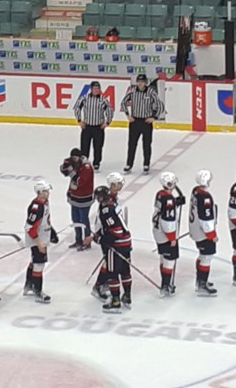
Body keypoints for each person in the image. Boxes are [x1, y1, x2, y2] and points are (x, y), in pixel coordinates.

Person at [96, 173, 132, 312]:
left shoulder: (106, 209)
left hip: (116, 245)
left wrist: (102, 239)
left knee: (112, 273)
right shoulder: (112, 203)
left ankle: (116, 301)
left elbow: (115, 230)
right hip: (126, 241)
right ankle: (127, 296)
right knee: (125, 271)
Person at [120, 74, 163, 174]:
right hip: (135, 121)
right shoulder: (132, 91)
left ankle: (146, 164)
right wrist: (127, 114)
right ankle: (129, 164)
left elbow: (160, 105)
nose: (140, 83)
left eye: (142, 81)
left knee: (146, 144)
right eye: (138, 81)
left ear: (145, 82)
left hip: (146, 122)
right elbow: (123, 103)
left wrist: (154, 117)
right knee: (132, 144)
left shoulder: (151, 91)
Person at [23, 181, 55, 305]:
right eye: (45, 191)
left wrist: (51, 232)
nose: (48, 193)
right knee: (39, 264)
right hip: (37, 239)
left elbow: (44, 221)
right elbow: (30, 227)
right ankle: (38, 291)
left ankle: (29, 285)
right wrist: (39, 243)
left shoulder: (44, 203)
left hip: (41, 237)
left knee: (34, 262)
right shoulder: (37, 207)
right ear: (39, 192)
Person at [189, 170, 218, 296]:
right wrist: (212, 235)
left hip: (195, 230)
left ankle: (200, 281)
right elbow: (205, 219)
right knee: (207, 256)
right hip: (203, 233)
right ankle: (202, 284)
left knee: (202, 255)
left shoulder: (195, 191)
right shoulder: (205, 197)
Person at [72, 81, 113, 171]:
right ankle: (84, 161)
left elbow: (110, 110)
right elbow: (77, 108)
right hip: (87, 127)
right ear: (91, 89)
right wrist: (79, 120)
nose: (96, 90)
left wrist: (107, 122)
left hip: (98, 127)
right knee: (84, 146)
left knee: (98, 146)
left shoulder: (103, 99)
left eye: (98, 88)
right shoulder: (85, 98)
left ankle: (96, 163)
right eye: (94, 88)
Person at [60, 149, 94, 249]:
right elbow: (64, 172)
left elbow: (80, 182)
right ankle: (78, 240)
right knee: (75, 220)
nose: (74, 160)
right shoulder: (75, 164)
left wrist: (71, 171)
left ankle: (87, 241)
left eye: (75, 158)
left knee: (84, 220)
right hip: (74, 197)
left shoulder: (86, 167)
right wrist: (65, 167)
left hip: (84, 198)